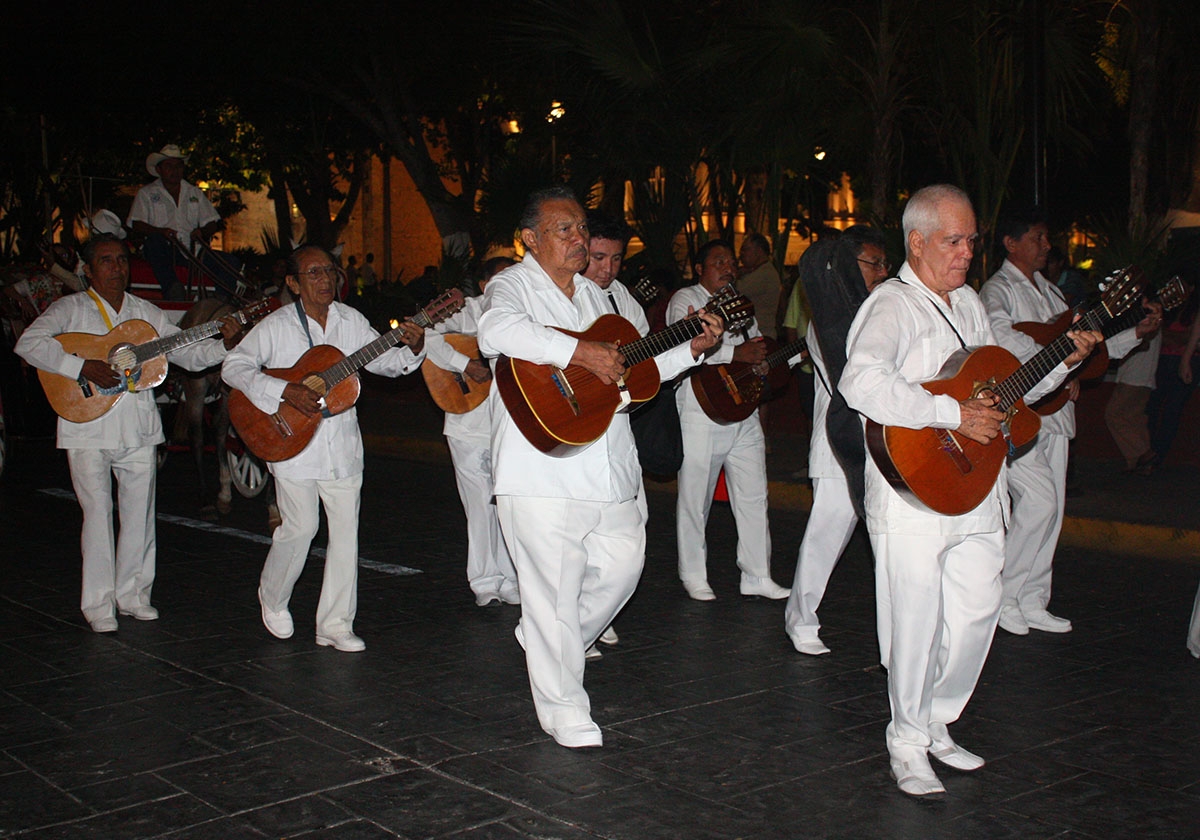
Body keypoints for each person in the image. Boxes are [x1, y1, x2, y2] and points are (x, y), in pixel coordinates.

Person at [839, 185, 1100, 798]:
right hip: (912, 489)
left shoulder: (969, 307)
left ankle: (936, 720)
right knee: (915, 617)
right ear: (918, 242)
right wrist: (949, 414)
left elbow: (1009, 384)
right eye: (954, 241)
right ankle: (905, 739)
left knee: (979, 606)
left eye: (971, 241)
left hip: (977, 484)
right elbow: (861, 382)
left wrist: (1063, 359)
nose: (965, 253)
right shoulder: (892, 305)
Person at [477, 186, 722, 748]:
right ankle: (564, 707)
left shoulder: (598, 298)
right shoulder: (514, 286)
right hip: (540, 465)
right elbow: (496, 333)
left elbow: (638, 373)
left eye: (582, 229)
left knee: (623, 565)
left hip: (607, 461)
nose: (579, 239)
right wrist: (578, 353)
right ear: (530, 239)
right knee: (553, 591)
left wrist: (693, 348)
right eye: (564, 230)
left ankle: (547, 640)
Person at [14, 234, 243, 632]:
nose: (116, 268)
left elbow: (185, 354)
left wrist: (223, 344)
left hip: (138, 427)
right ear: (88, 269)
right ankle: (99, 605)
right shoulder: (69, 309)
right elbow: (28, 343)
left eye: (121, 260)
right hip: (87, 424)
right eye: (106, 260)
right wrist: (79, 368)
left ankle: (134, 595)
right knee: (98, 516)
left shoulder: (145, 312)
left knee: (140, 516)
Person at [222, 245, 426, 653]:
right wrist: (285, 390)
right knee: (300, 528)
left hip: (343, 442)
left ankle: (334, 624)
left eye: (329, 272)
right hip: (290, 439)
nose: (324, 280)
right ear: (294, 283)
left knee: (346, 535)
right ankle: (273, 596)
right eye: (313, 273)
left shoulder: (351, 321)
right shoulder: (277, 325)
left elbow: (385, 363)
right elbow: (234, 366)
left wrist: (414, 347)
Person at [980, 207, 1156, 635]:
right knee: (1038, 504)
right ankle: (1004, 596)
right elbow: (1001, 338)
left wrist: (1135, 333)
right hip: (1021, 411)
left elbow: (1089, 347)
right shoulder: (997, 289)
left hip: (1057, 414)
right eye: (1038, 237)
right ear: (1011, 242)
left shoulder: (1053, 293)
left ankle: (1033, 598)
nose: (1046, 246)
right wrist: (1058, 362)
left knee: (1052, 510)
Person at [668, 239, 795, 601]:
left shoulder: (741, 305)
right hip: (701, 411)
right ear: (699, 269)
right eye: (718, 261)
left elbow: (755, 347)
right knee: (696, 496)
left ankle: (757, 573)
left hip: (743, 409)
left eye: (731, 262)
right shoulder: (685, 299)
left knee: (754, 494)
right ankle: (693, 573)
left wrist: (760, 360)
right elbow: (680, 346)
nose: (728, 267)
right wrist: (735, 352)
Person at [784, 226, 888, 655]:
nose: (882, 273)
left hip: (883, 441)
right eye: (872, 264)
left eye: (885, 263)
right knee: (828, 531)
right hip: (838, 443)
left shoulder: (879, 311)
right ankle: (800, 618)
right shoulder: (827, 316)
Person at [423, 255, 520, 608]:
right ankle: (484, 580)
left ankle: (511, 577)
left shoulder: (525, 315)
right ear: (484, 285)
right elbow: (426, 338)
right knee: (480, 505)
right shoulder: (468, 312)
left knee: (508, 503)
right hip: (468, 423)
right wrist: (465, 364)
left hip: (510, 424)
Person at [578, 211, 646, 654]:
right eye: (599, 257)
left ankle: (589, 620)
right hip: (575, 431)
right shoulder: (566, 295)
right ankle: (575, 630)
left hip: (619, 431)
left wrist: (689, 344)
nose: (608, 269)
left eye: (617, 260)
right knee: (581, 543)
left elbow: (645, 362)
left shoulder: (624, 300)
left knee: (629, 543)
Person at [127, 144, 243, 300]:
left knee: (231, 262)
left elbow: (212, 223)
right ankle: (173, 288)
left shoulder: (194, 193)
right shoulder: (147, 193)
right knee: (154, 242)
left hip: (193, 251)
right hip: (163, 249)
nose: (174, 170)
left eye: (178, 166)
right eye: (169, 166)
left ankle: (219, 302)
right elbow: (136, 224)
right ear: (159, 169)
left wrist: (201, 232)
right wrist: (161, 232)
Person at [1104, 331, 1161, 473]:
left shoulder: (1146, 321)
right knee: (1134, 418)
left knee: (1113, 415)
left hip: (1133, 377)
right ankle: (1138, 463)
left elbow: (1142, 343)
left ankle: (1143, 453)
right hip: (1144, 376)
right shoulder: (1155, 323)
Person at [737, 233, 782, 339]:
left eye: (745, 249)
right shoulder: (759, 271)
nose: (741, 254)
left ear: (759, 251)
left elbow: (736, 291)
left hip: (761, 334)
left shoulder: (765, 273)